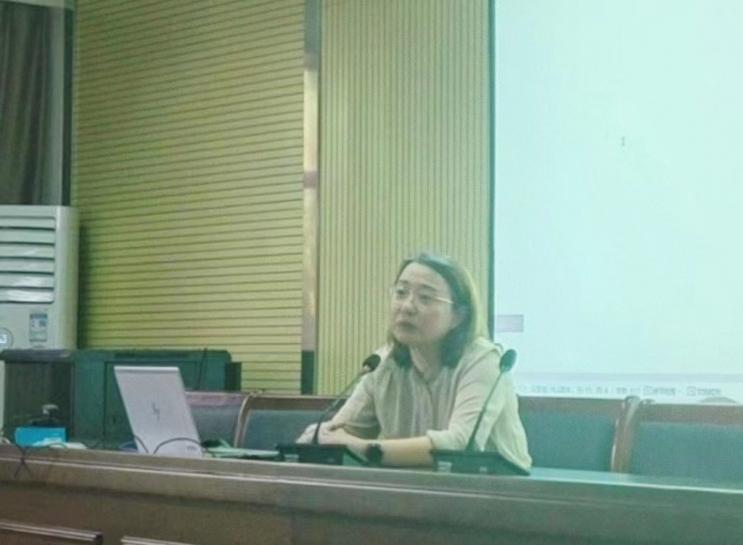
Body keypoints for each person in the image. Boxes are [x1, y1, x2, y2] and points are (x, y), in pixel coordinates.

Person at [299, 252, 531, 471]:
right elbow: (336, 434)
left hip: (500, 490)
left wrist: (364, 448)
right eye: (401, 293)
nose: (407, 306)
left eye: (425, 298)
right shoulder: (382, 363)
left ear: (458, 316)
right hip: (414, 489)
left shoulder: (484, 361)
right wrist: (319, 437)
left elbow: (460, 445)